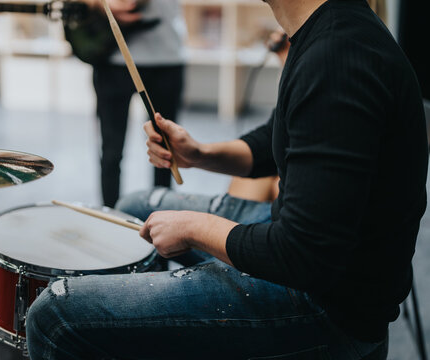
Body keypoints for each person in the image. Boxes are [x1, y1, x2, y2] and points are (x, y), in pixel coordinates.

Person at [26, 0, 428, 358]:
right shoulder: (326, 29)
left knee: (54, 314)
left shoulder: (336, 57)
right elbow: (275, 144)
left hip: (327, 309)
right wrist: (198, 154)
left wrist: (197, 228)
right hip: (312, 256)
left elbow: (303, 255)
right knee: (137, 205)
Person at [89, 0, 186, 207]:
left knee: (165, 150)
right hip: (111, 56)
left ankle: (164, 216)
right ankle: (109, 215)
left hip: (166, 57)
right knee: (111, 152)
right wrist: (97, 3)